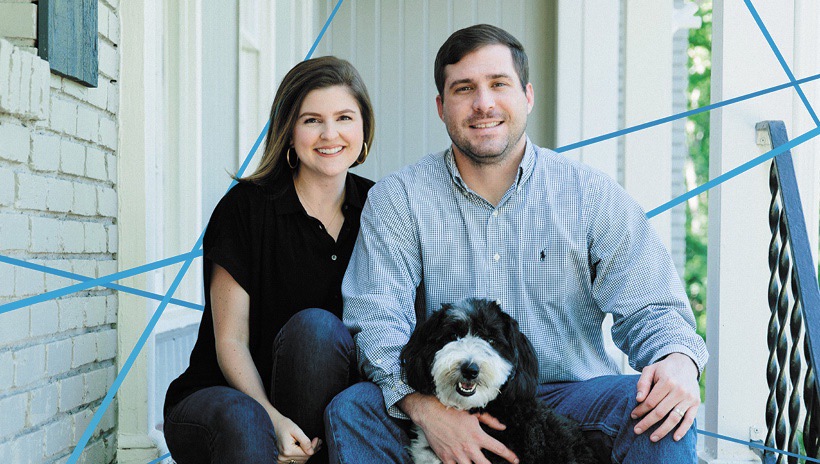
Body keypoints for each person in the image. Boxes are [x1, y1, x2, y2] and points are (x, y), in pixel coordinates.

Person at [325, 24, 708, 464]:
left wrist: (678, 359)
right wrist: (426, 408)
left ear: (527, 95)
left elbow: (653, 306)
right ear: (441, 106)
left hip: (569, 400)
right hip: (445, 397)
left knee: (658, 405)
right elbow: (376, 319)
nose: (483, 103)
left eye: (498, 85)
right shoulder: (401, 198)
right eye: (464, 88)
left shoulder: (589, 195)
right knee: (354, 409)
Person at [163, 56, 375, 464]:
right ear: (289, 131)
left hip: (324, 409)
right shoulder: (245, 208)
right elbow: (230, 341)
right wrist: (273, 418)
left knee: (317, 331)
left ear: (363, 127)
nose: (330, 134)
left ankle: (303, 448)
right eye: (312, 120)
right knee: (248, 423)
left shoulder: (382, 208)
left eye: (344, 117)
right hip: (226, 399)